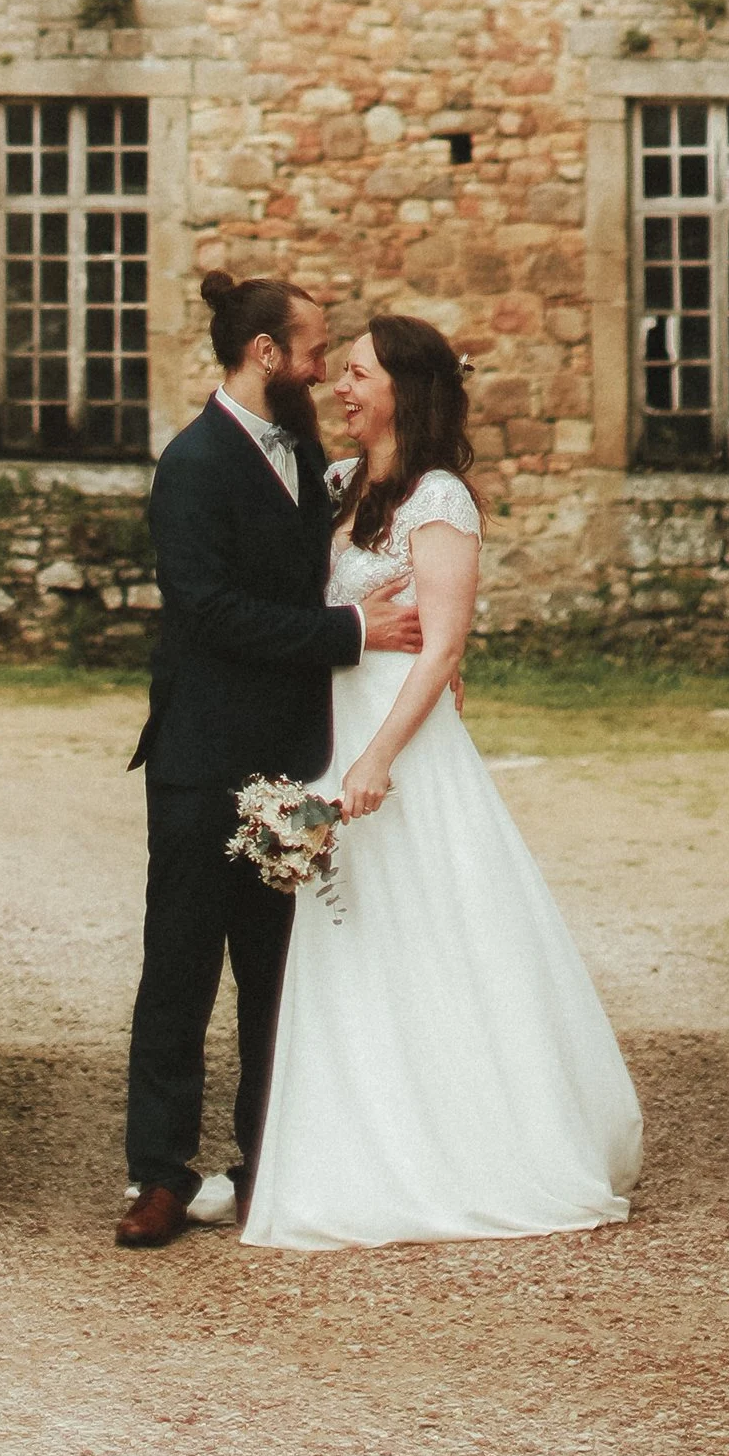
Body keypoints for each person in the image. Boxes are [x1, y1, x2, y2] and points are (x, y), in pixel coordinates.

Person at [240, 313, 642, 1248]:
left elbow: (446, 641)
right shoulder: (338, 485)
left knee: (435, 934)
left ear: (404, 391)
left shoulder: (441, 500)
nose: (340, 390)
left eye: (358, 375)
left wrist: (378, 757)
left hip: (400, 741)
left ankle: (474, 1145)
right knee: (354, 941)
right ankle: (358, 1145)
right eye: (339, 373)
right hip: (332, 724)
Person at [117, 270, 422, 1249]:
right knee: (179, 968)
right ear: (264, 355)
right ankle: (158, 1176)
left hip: (292, 758)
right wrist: (347, 631)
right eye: (310, 348)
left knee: (277, 972)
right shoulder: (194, 463)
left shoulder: (305, 457)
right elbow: (206, 614)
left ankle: (266, 1161)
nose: (322, 365)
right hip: (202, 761)